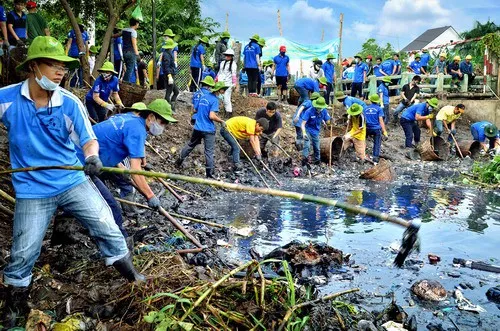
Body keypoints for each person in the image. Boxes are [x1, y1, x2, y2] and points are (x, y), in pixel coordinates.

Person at [0, 36, 144, 327]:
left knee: (106, 224)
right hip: (32, 189)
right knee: (24, 249)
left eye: (62, 66)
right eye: (52, 64)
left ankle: (134, 279)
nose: (60, 71)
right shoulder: (6, 100)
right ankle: (15, 301)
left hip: (71, 180)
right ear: (33, 67)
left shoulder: (69, 103)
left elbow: (89, 140)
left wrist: (92, 157)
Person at [177, 82, 227, 177]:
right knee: (209, 151)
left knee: (190, 145)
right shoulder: (215, 100)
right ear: (219, 90)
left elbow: (195, 110)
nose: (224, 92)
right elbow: (211, 116)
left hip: (198, 127)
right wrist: (221, 121)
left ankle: (178, 161)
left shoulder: (203, 96)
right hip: (208, 129)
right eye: (223, 90)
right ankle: (209, 174)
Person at [300, 96, 331, 166]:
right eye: (318, 107)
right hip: (307, 129)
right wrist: (304, 133)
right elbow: (302, 123)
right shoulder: (309, 111)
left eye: (321, 107)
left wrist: (329, 121)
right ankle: (304, 161)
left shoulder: (324, 111)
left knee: (317, 147)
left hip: (316, 131)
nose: (319, 109)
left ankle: (317, 161)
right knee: (307, 145)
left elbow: (328, 121)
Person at [364, 95, 387, 163]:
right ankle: (375, 157)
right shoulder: (379, 109)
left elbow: (363, 119)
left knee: (363, 141)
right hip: (376, 129)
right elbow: (381, 120)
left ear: (371, 100)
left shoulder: (365, 108)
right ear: (377, 101)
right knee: (377, 142)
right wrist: (384, 131)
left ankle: (363, 155)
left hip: (367, 128)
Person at [216, 49, 237, 114]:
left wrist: (234, 83)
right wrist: (216, 79)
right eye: (226, 55)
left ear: (231, 56)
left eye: (228, 55)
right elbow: (219, 72)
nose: (227, 57)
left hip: (228, 83)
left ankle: (229, 112)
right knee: (219, 97)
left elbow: (234, 74)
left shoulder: (233, 64)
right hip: (221, 83)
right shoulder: (222, 63)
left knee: (226, 98)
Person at [162, 39, 179, 111]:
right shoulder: (166, 55)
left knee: (176, 91)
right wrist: (169, 76)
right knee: (168, 93)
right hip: (169, 75)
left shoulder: (169, 53)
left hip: (171, 74)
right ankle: (169, 109)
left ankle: (172, 106)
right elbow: (166, 66)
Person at [122, 18, 140, 83]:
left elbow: (118, 34)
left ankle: (124, 81)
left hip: (124, 52)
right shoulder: (133, 32)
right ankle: (125, 82)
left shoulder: (124, 30)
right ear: (136, 24)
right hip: (131, 52)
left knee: (127, 68)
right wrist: (137, 54)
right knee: (130, 69)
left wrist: (112, 36)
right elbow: (134, 44)